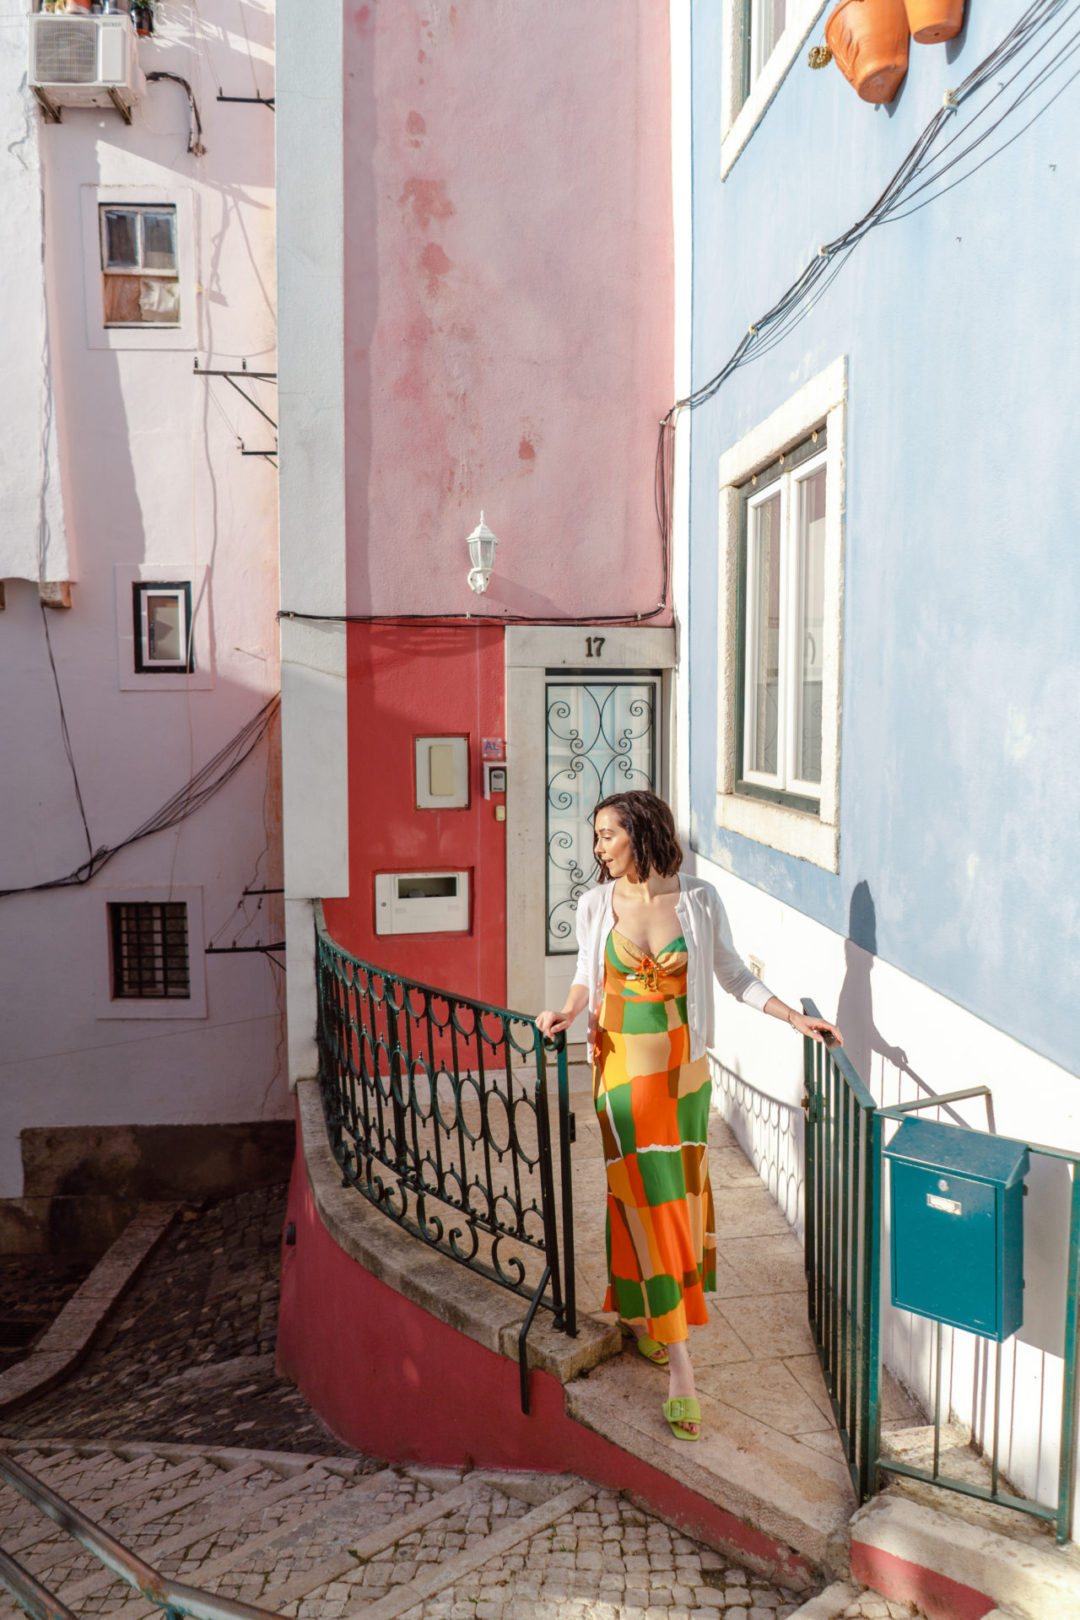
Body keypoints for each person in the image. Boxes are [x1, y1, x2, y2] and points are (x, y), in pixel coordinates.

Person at [536, 790, 842, 1442]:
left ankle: (649, 1312)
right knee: (646, 1200)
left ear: (641, 833)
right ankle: (680, 1364)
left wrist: (794, 1018)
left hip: (683, 1078)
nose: (599, 848)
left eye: (608, 835)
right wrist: (563, 1013)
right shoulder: (597, 905)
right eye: (596, 837)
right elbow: (586, 978)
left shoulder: (699, 901)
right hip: (619, 1076)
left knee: (673, 1201)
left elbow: (732, 974)